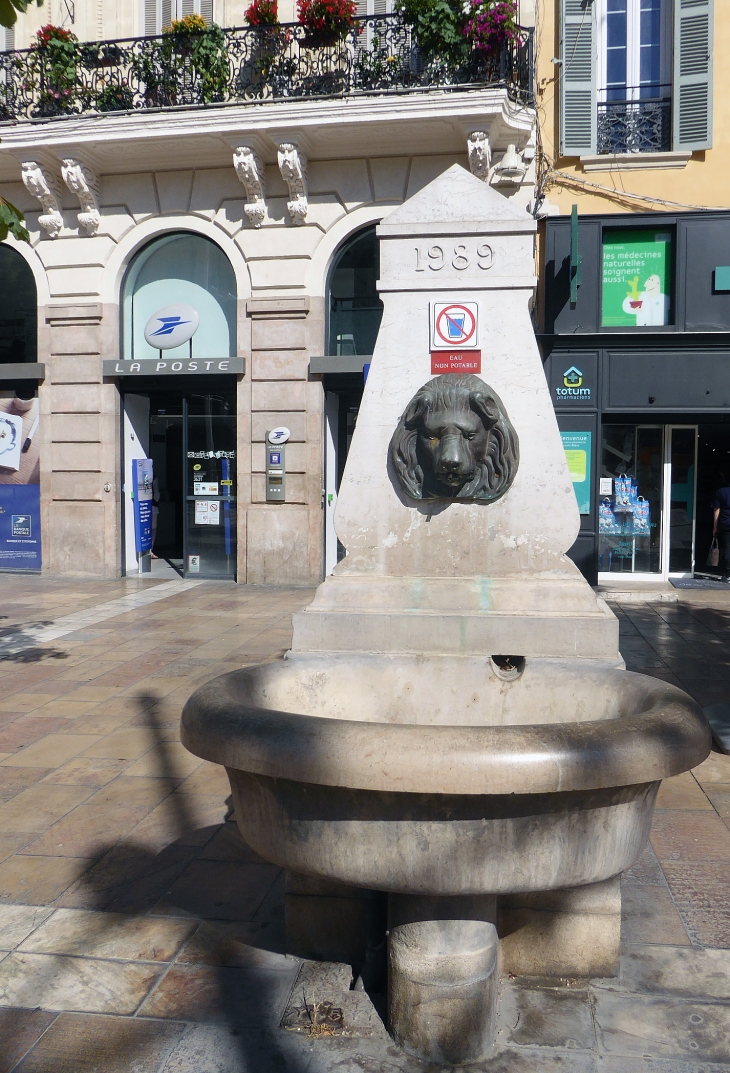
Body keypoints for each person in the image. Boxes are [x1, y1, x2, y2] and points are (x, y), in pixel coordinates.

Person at [711, 471, 730, 582]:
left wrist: (715, 527)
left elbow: (717, 510)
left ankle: (728, 574)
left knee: (728, 548)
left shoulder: (720, 492)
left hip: (726, 522)